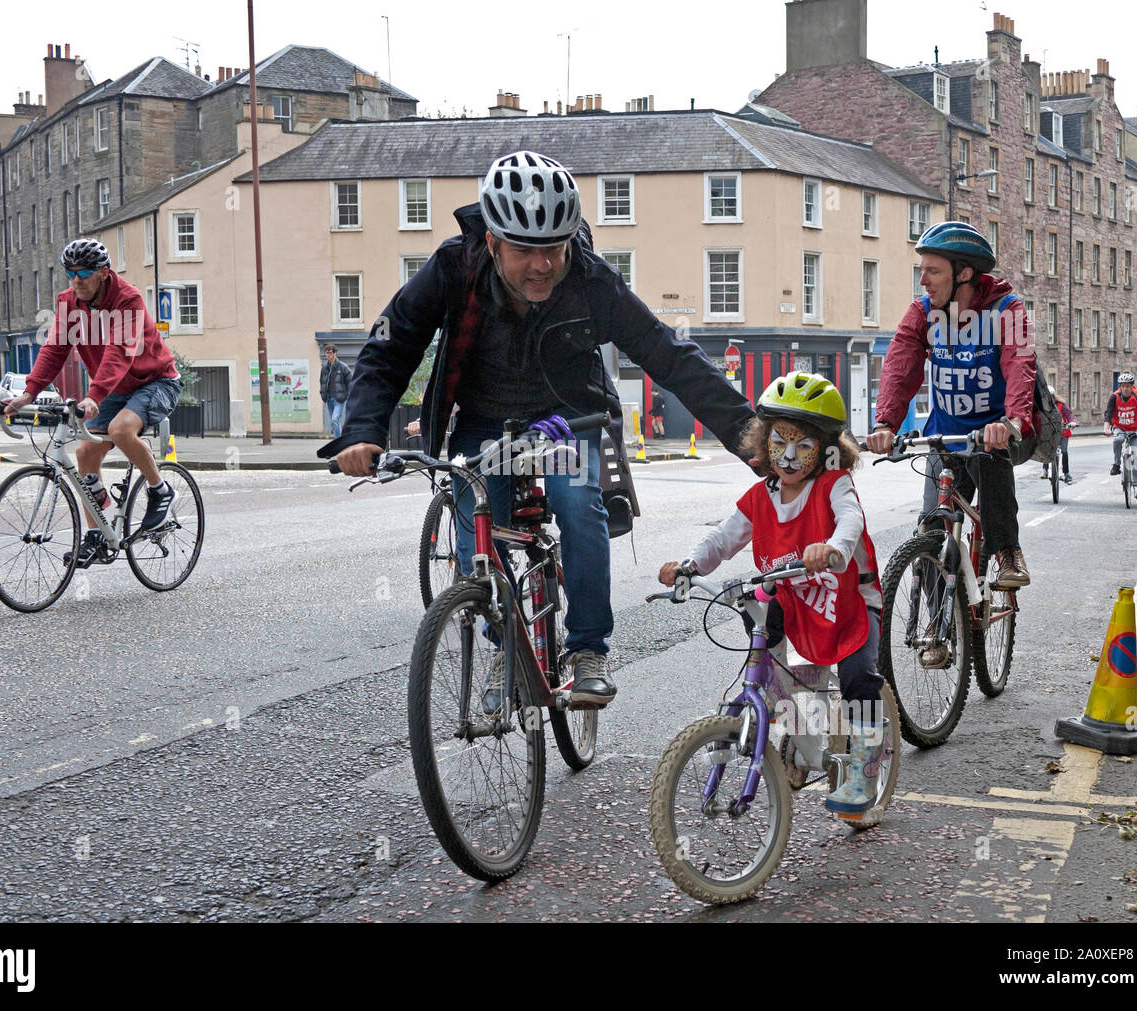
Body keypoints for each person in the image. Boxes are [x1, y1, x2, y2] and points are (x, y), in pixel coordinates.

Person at [323, 150, 757, 706]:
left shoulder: (592, 280)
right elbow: (390, 345)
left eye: (552, 248)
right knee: (477, 520)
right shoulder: (454, 267)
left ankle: (587, 648)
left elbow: (667, 355)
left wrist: (749, 433)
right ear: (492, 242)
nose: (542, 265)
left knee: (579, 506)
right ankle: (505, 642)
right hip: (484, 420)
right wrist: (362, 429)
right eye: (524, 250)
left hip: (566, 420)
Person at [658, 373, 887, 816]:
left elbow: (850, 520)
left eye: (803, 445)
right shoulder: (762, 496)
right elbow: (722, 539)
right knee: (766, 657)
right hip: (792, 598)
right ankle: (800, 738)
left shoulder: (833, 485)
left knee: (859, 677)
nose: (789, 454)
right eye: (780, 440)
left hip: (848, 600)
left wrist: (835, 549)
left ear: (826, 449)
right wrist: (689, 565)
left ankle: (865, 768)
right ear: (764, 441)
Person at [865, 221, 1036, 588]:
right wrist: (885, 424)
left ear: (965, 273)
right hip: (944, 433)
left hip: (993, 432)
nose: (923, 280)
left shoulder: (1007, 309)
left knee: (990, 458)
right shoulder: (924, 312)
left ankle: (1008, 551)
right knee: (930, 531)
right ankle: (937, 639)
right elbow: (900, 367)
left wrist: (1012, 422)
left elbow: (1020, 365)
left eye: (933, 271)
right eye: (921, 270)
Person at [4, 239, 182, 566]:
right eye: (70, 273)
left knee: (121, 429)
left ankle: (160, 490)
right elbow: (55, 350)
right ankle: (97, 534)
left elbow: (119, 354)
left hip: (155, 381)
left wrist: (93, 396)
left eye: (84, 273)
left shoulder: (128, 300)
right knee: (85, 451)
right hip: (114, 388)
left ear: (103, 272)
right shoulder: (68, 303)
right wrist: (28, 393)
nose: (76, 280)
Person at [1104, 373, 1137, 499]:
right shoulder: (1114, 397)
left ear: (1132, 386)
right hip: (1120, 427)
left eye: (1128, 386)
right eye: (1123, 386)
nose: (1125, 388)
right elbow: (1108, 413)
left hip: (1135, 429)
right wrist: (1106, 429)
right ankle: (1116, 464)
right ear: (1120, 386)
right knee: (1117, 439)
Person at [1040, 389, 1075, 484]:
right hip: (1050, 433)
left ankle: (1066, 473)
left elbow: (1069, 414)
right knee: (1047, 449)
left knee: (1064, 451)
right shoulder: (1043, 406)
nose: (1049, 398)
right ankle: (1045, 470)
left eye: (1051, 396)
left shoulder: (1061, 405)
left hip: (1063, 432)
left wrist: (1072, 422)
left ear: (1053, 396)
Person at [320, 344, 352, 438]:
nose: (328, 354)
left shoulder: (343, 367)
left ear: (335, 353)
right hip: (329, 399)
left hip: (339, 399)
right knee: (334, 422)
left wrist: (346, 396)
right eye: (326, 352)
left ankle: (338, 441)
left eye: (330, 352)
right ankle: (338, 440)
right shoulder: (324, 369)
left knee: (334, 419)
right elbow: (322, 382)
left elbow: (351, 382)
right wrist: (323, 394)